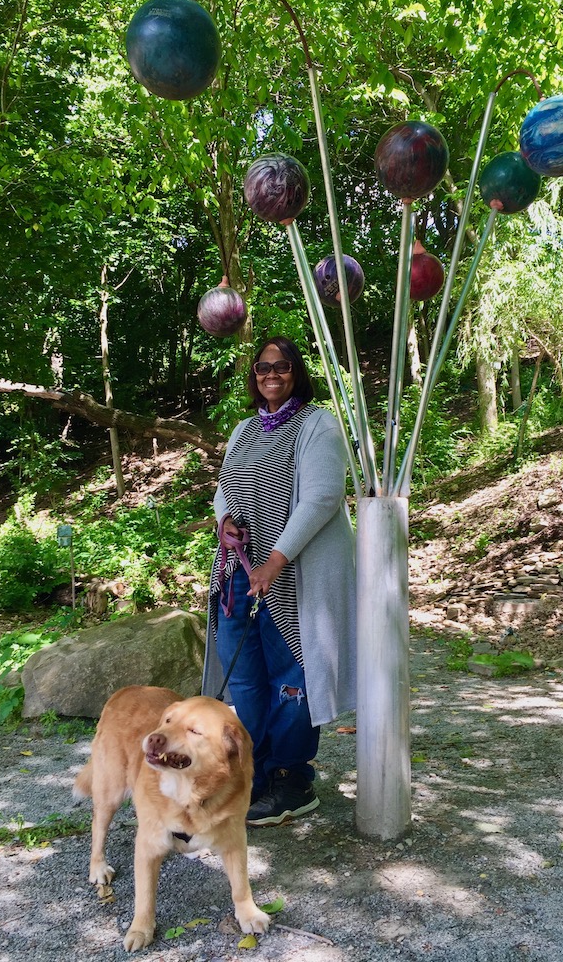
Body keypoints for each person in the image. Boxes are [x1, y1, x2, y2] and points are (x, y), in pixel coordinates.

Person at [201, 335, 356, 827]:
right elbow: (225, 489)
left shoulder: (317, 426)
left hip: (291, 580)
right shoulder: (244, 430)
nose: (271, 373)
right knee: (244, 682)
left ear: (296, 372)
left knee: (291, 681)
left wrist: (275, 561)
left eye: (282, 365)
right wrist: (227, 523)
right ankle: (253, 774)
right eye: (263, 366)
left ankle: (292, 780)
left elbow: (321, 498)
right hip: (238, 577)